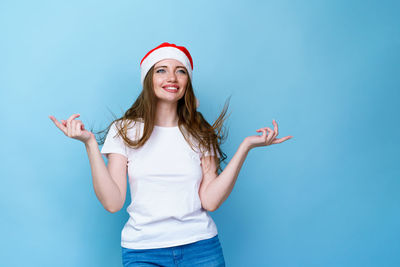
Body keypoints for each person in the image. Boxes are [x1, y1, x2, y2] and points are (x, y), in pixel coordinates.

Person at [49, 42, 293, 267]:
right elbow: (113, 203)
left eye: (181, 71)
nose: (172, 77)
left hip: (202, 248)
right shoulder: (123, 130)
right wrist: (90, 144)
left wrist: (246, 147)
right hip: (143, 251)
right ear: (148, 79)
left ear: (187, 82)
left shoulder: (201, 133)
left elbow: (210, 201)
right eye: (161, 70)